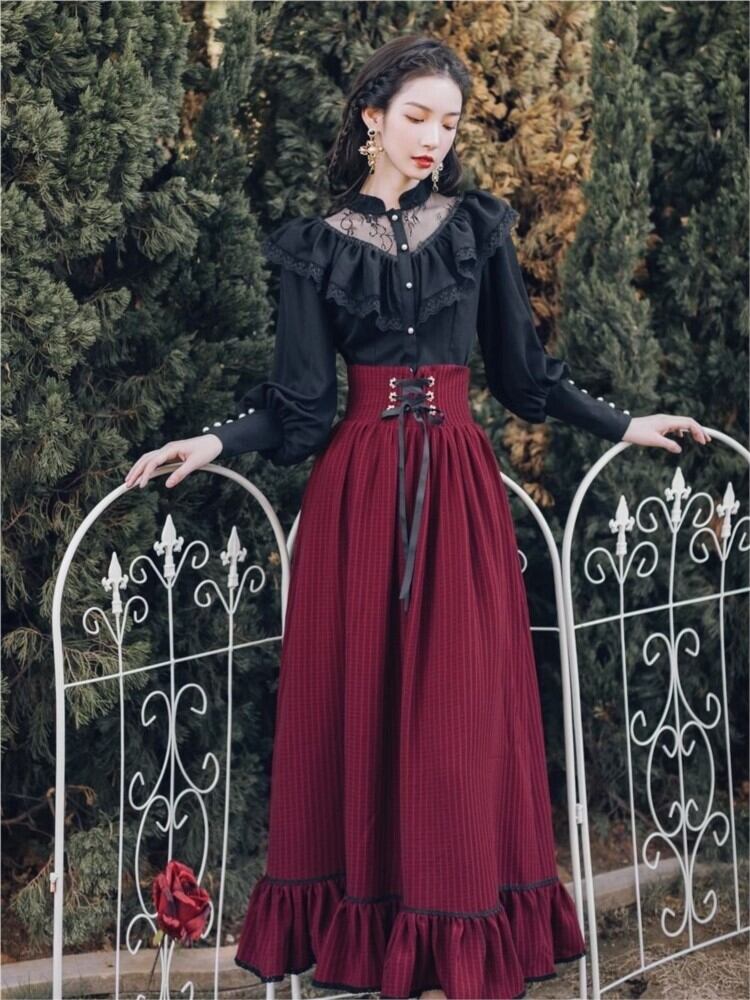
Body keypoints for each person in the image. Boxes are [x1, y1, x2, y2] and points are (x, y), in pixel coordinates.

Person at [124, 33, 710, 1000]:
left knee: (460, 713)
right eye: (417, 116)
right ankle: (374, 941)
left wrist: (623, 422)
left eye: (450, 121)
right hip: (356, 499)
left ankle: (462, 932)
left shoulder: (477, 229)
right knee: (358, 705)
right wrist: (214, 442)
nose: (435, 136)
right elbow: (302, 406)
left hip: (458, 494)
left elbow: (523, 376)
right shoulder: (314, 246)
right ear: (372, 118)